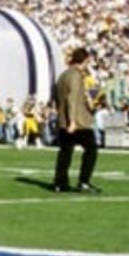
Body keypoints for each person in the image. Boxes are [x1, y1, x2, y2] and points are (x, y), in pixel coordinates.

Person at [53, 47, 100, 193]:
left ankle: (60, 183)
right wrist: (72, 120)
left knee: (65, 152)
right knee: (91, 149)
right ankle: (84, 181)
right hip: (78, 122)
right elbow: (72, 98)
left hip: (63, 119)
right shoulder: (76, 76)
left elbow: (57, 97)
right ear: (85, 60)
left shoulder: (63, 75)